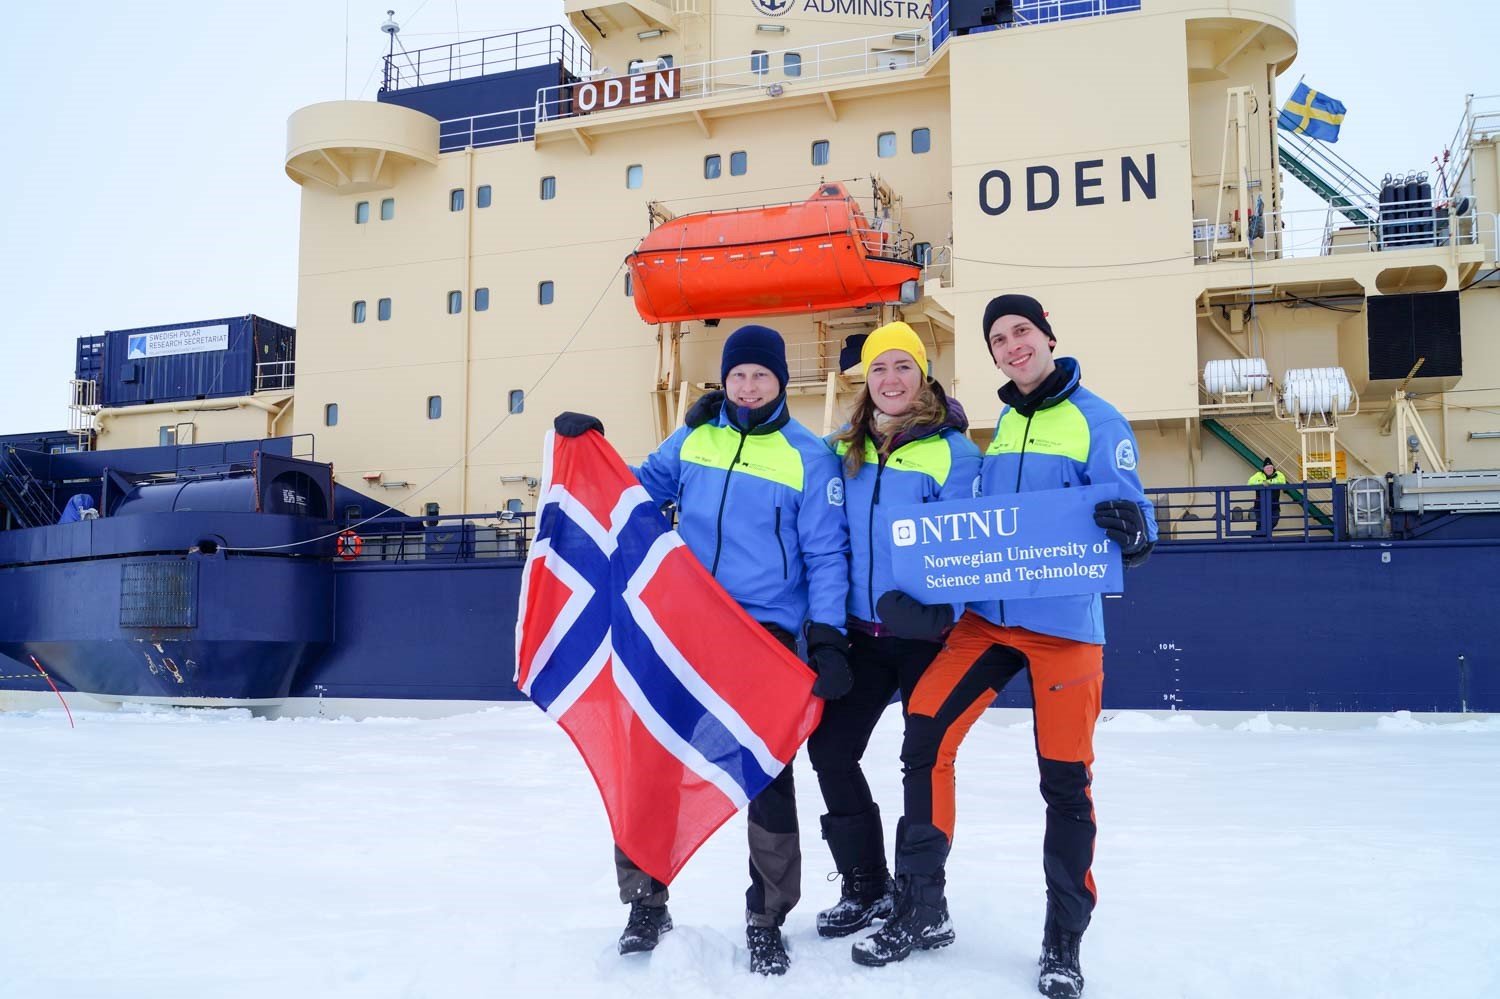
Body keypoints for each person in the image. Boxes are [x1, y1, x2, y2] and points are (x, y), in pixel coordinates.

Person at [851, 294, 1157, 999]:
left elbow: (1132, 514)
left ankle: (1063, 939)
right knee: (924, 733)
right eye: (998, 338)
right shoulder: (1006, 425)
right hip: (989, 621)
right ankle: (921, 907)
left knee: (1065, 781)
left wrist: (1138, 535)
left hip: (1063, 630)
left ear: (1048, 336)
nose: (1013, 345)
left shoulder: (1097, 420)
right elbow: (974, 533)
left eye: (1022, 331)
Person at [554, 323, 852, 976]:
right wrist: (591, 448)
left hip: (762, 637)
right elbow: (634, 492)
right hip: (684, 627)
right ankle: (646, 901)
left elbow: (826, 555)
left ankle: (767, 916)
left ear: (781, 381)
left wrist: (828, 637)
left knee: (766, 776)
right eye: (738, 375)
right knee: (652, 761)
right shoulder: (693, 437)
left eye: (761, 375)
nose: (748, 387)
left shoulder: (808, 456)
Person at [807, 321, 980, 939]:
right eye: (879, 368)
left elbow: (973, 544)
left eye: (903, 366)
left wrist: (944, 609)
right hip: (862, 635)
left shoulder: (956, 453)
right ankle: (865, 883)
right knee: (830, 750)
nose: (890, 379)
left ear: (923, 375)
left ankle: (920, 897)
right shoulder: (841, 449)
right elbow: (788, 459)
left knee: (922, 761)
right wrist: (717, 416)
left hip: (926, 639)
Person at [1248, 458, 1288, 535]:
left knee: (1274, 521)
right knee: (1261, 524)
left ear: (1273, 468)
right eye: (1267, 468)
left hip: (1274, 506)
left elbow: (1282, 481)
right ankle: (1260, 540)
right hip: (1260, 506)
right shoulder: (1258, 474)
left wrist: (1268, 482)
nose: (1269, 469)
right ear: (1263, 469)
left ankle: (1258, 538)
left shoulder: (1279, 474)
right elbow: (1250, 483)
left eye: (1271, 467)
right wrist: (1262, 483)